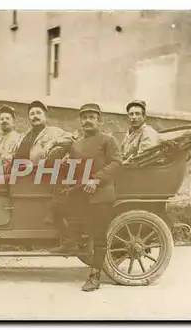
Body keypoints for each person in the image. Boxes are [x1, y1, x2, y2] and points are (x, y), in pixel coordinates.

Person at [49, 103, 122, 292]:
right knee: (57, 208)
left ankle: (94, 276)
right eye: (84, 117)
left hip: (101, 195)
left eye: (92, 117)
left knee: (99, 236)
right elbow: (74, 166)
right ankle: (69, 242)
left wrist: (96, 180)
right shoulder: (77, 143)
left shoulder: (108, 140)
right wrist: (65, 163)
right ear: (80, 121)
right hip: (81, 193)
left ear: (99, 120)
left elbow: (116, 163)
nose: (88, 120)